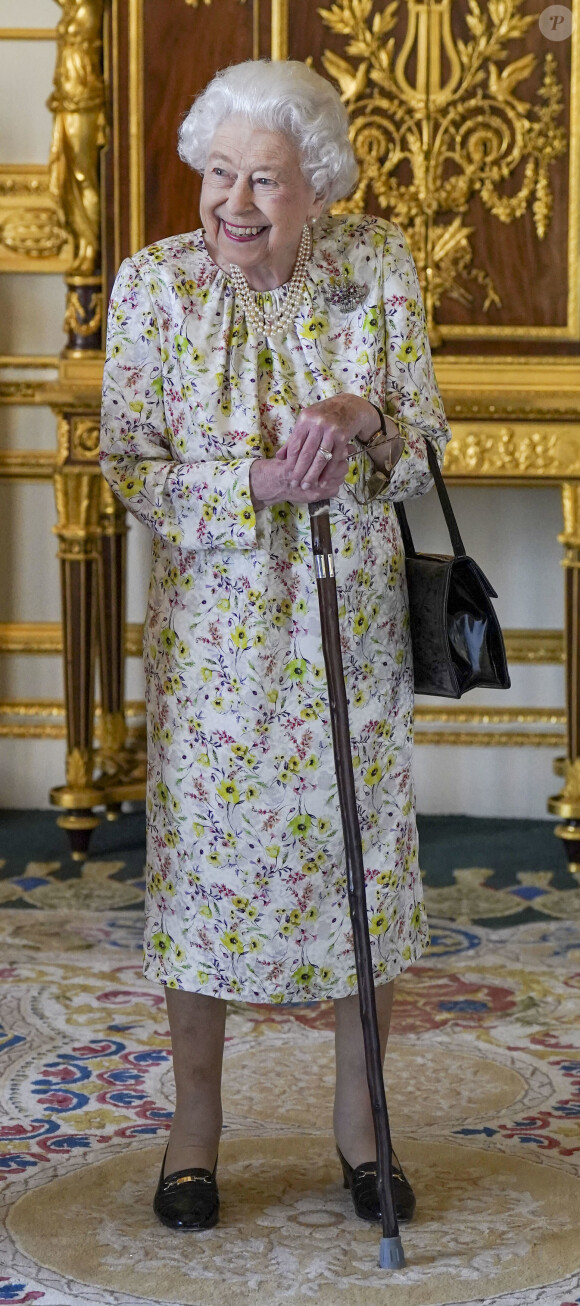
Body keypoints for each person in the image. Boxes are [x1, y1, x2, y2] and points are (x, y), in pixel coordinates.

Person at [100, 57, 451, 1233]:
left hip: (348, 628)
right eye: (217, 174)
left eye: (265, 180)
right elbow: (128, 470)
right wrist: (247, 480)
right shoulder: (152, 288)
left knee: (359, 873)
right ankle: (192, 1132)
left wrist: (368, 422)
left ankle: (362, 1127)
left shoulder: (376, 268)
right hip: (213, 646)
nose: (234, 204)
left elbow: (422, 443)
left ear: (319, 187)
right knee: (203, 874)